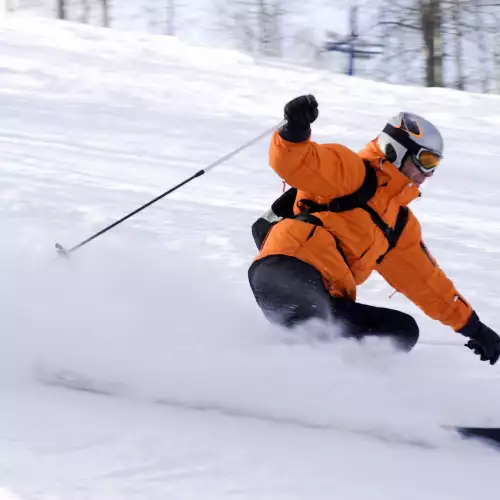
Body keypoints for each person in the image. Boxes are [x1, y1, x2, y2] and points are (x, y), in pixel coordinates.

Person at [248, 95, 500, 365]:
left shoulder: (398, 226)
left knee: (399, 332)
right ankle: (266, 380)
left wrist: (475, 328)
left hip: (326, 295)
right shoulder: (352, 173)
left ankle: (330, 393)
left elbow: (428, 284)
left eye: (434, 165)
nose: (429, 174)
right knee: (313, 329)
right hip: (288, 268)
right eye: (426, 160)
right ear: (396, 150)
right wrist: (295, 131)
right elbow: (298, 163)